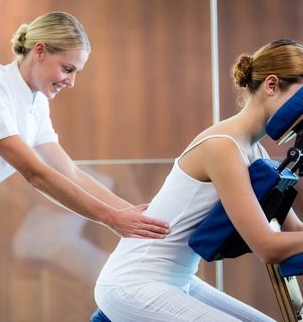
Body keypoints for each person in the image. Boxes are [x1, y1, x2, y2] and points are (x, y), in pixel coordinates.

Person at [0, 11, 170, 321]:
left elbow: (70, 172)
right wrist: (112, 219)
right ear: (38, 51)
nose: (71, 81)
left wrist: (139, 219)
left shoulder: (36, 102)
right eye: (67, 69)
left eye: (76, 72)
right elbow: (36, 173)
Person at [93, 38, 303, 322]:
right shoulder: (223, 147)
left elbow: (293, 229)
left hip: (179, 280)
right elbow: (267, 247)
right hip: (134, 284)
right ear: (272, 85)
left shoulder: (255, 150)